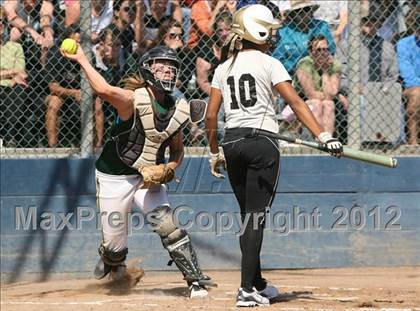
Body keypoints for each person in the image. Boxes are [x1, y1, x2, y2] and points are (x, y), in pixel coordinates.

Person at [205, 4, 342, 307]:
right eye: (270, 30)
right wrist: (324, 135)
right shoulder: (270, 63)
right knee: (256, 217)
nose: (274, 36)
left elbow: (211, 116)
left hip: (232, 141)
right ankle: (245, 290)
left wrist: (215, 151)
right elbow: (295, 102)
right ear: (259, 31)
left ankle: (256, 282)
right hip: (262, 143)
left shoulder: (222, 67)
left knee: (248, 216)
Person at [60, 43, 214, 298]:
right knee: (114, 244)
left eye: (172, 68)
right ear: (147, 70)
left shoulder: (177, 108)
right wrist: (82, 59)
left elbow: (177, 150)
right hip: (114, 177)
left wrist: (170, 168)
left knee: (168, 226)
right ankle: (113, 259)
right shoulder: (132, 100)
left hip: (147, 178)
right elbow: (103, 89)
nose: (168, 71)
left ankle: (195, 280)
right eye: (161, 66)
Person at [291, 35, 343, 135]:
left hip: (325, 101)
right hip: (301, 100)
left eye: (325, 49)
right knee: (316, 103)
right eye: (319, 50)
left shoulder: (334, 64)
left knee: (328, 104)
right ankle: (318, 139)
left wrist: (325, 71)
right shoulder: (305, 63)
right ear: (311, 52)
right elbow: (311, 94)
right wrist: (329, 95)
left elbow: (331, 94)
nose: (323, 53)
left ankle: (328, 142)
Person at [271, 0, 335, 74]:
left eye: (306, 9)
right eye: (298, 11)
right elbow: (278, 59)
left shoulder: (322, 26)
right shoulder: (284, 32)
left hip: (320, 70)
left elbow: (331, 50)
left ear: (311, 11)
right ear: (293, 14)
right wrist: (299, 67)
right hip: (293, 74)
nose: (303, 13)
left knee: (336, 66)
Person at [0, 5, 30, 147]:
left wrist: (6, 73)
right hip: (6, 83)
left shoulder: (15, 47)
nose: (0, 24)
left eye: (1, 21)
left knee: (18, 90)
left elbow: (22, 73)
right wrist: (11, 72)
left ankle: (10, 136)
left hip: (10, 86)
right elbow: (16, 72)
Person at [396, 19, 420, 145]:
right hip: (410, 87)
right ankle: (413, 141)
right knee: (417, 93)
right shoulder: (404, 44)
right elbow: (409, 77)